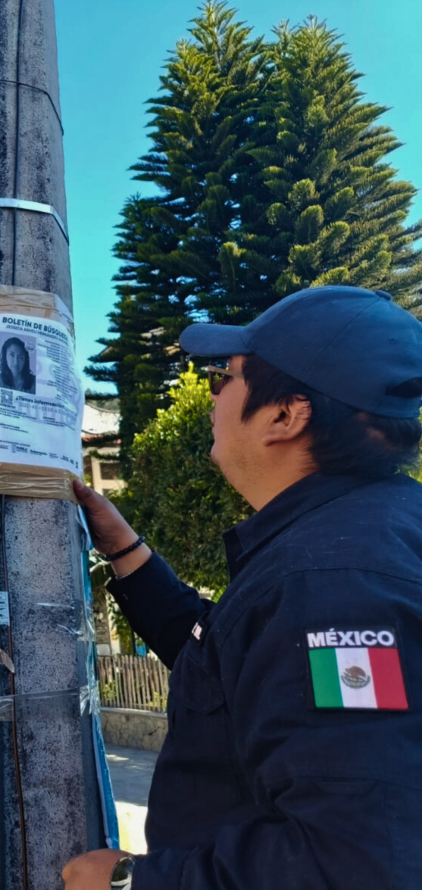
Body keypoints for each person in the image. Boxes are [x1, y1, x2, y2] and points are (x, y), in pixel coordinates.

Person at [64, 286, 422, 889]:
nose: (212, 396)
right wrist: (126, 551)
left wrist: (130, 882)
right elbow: (236, 664)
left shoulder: (331, 587)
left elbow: (354, 862)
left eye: (223, 378)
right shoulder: (363, 536)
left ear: (285, 415)